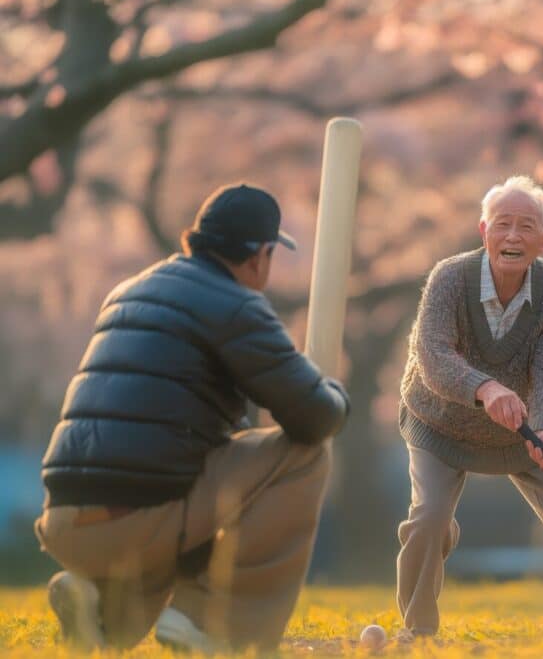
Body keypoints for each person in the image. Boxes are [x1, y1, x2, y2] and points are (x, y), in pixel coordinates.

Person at [35, 184, 350, 653]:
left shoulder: (129, 290)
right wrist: (335, 391)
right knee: (305, 456)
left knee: (190, 493)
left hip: (64, 521)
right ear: (261, 255)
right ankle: (211, 623)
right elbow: (315, 416)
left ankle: (100, 612)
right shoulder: (235, 304)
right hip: (136, 521)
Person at [396, 175, 543, 638]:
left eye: (526, 226)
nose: (513, 236)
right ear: (484, 231)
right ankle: (417, 633)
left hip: (521, 432)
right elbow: (432, 357)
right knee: (430, 518)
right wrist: (486, 388)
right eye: (503, 224)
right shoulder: (449, 278)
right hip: (437, 424)